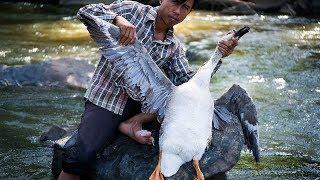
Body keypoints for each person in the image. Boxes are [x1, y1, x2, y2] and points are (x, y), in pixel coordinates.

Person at [58, 0, 238, 179]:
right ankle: (125, 126)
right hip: (108, 100)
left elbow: (187, 83)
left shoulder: (174, 47)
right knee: (80, 158)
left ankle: (132, 123)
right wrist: (118, 20)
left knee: (182, 99)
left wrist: (218, 54)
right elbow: (86, 11)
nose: (177, 11)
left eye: (185, 8)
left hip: (142, 106)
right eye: (175, 2)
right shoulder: (132, 11)